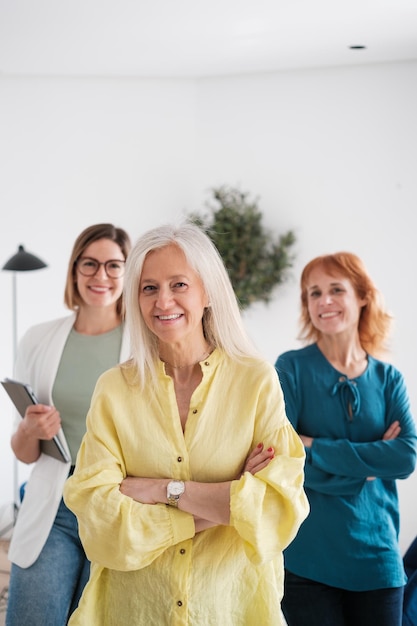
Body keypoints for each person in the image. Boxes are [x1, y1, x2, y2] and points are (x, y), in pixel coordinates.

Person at [63, 221, 309, 625]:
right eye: (149, 287)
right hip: (131, 611)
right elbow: (100, 523)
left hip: (230, 611)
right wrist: (225, 505)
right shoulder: (113, 389)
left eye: (179, 285)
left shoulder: (256, 381)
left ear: (208, 291)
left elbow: (277, 508)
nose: (163, 301)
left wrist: (162, 490)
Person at [275, 251, 417, 626]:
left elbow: (405, 457)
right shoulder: (290, 368)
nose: (324, 302)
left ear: (363, 296)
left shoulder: (389, 379)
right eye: (313, 293)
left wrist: (314, 447)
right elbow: (282, 458)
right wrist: (369, 466)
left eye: (336, 290)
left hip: (379, 559)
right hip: (308, 559)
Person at [6, 223, 132, 626]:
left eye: (114, 266)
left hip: (118, 502)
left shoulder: (148, 346)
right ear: (74, 269)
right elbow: (25, 452)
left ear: (129, 272)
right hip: (54, 504)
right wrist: (30, 430)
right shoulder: (38, 340)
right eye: (90, 264)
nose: (101, 276)